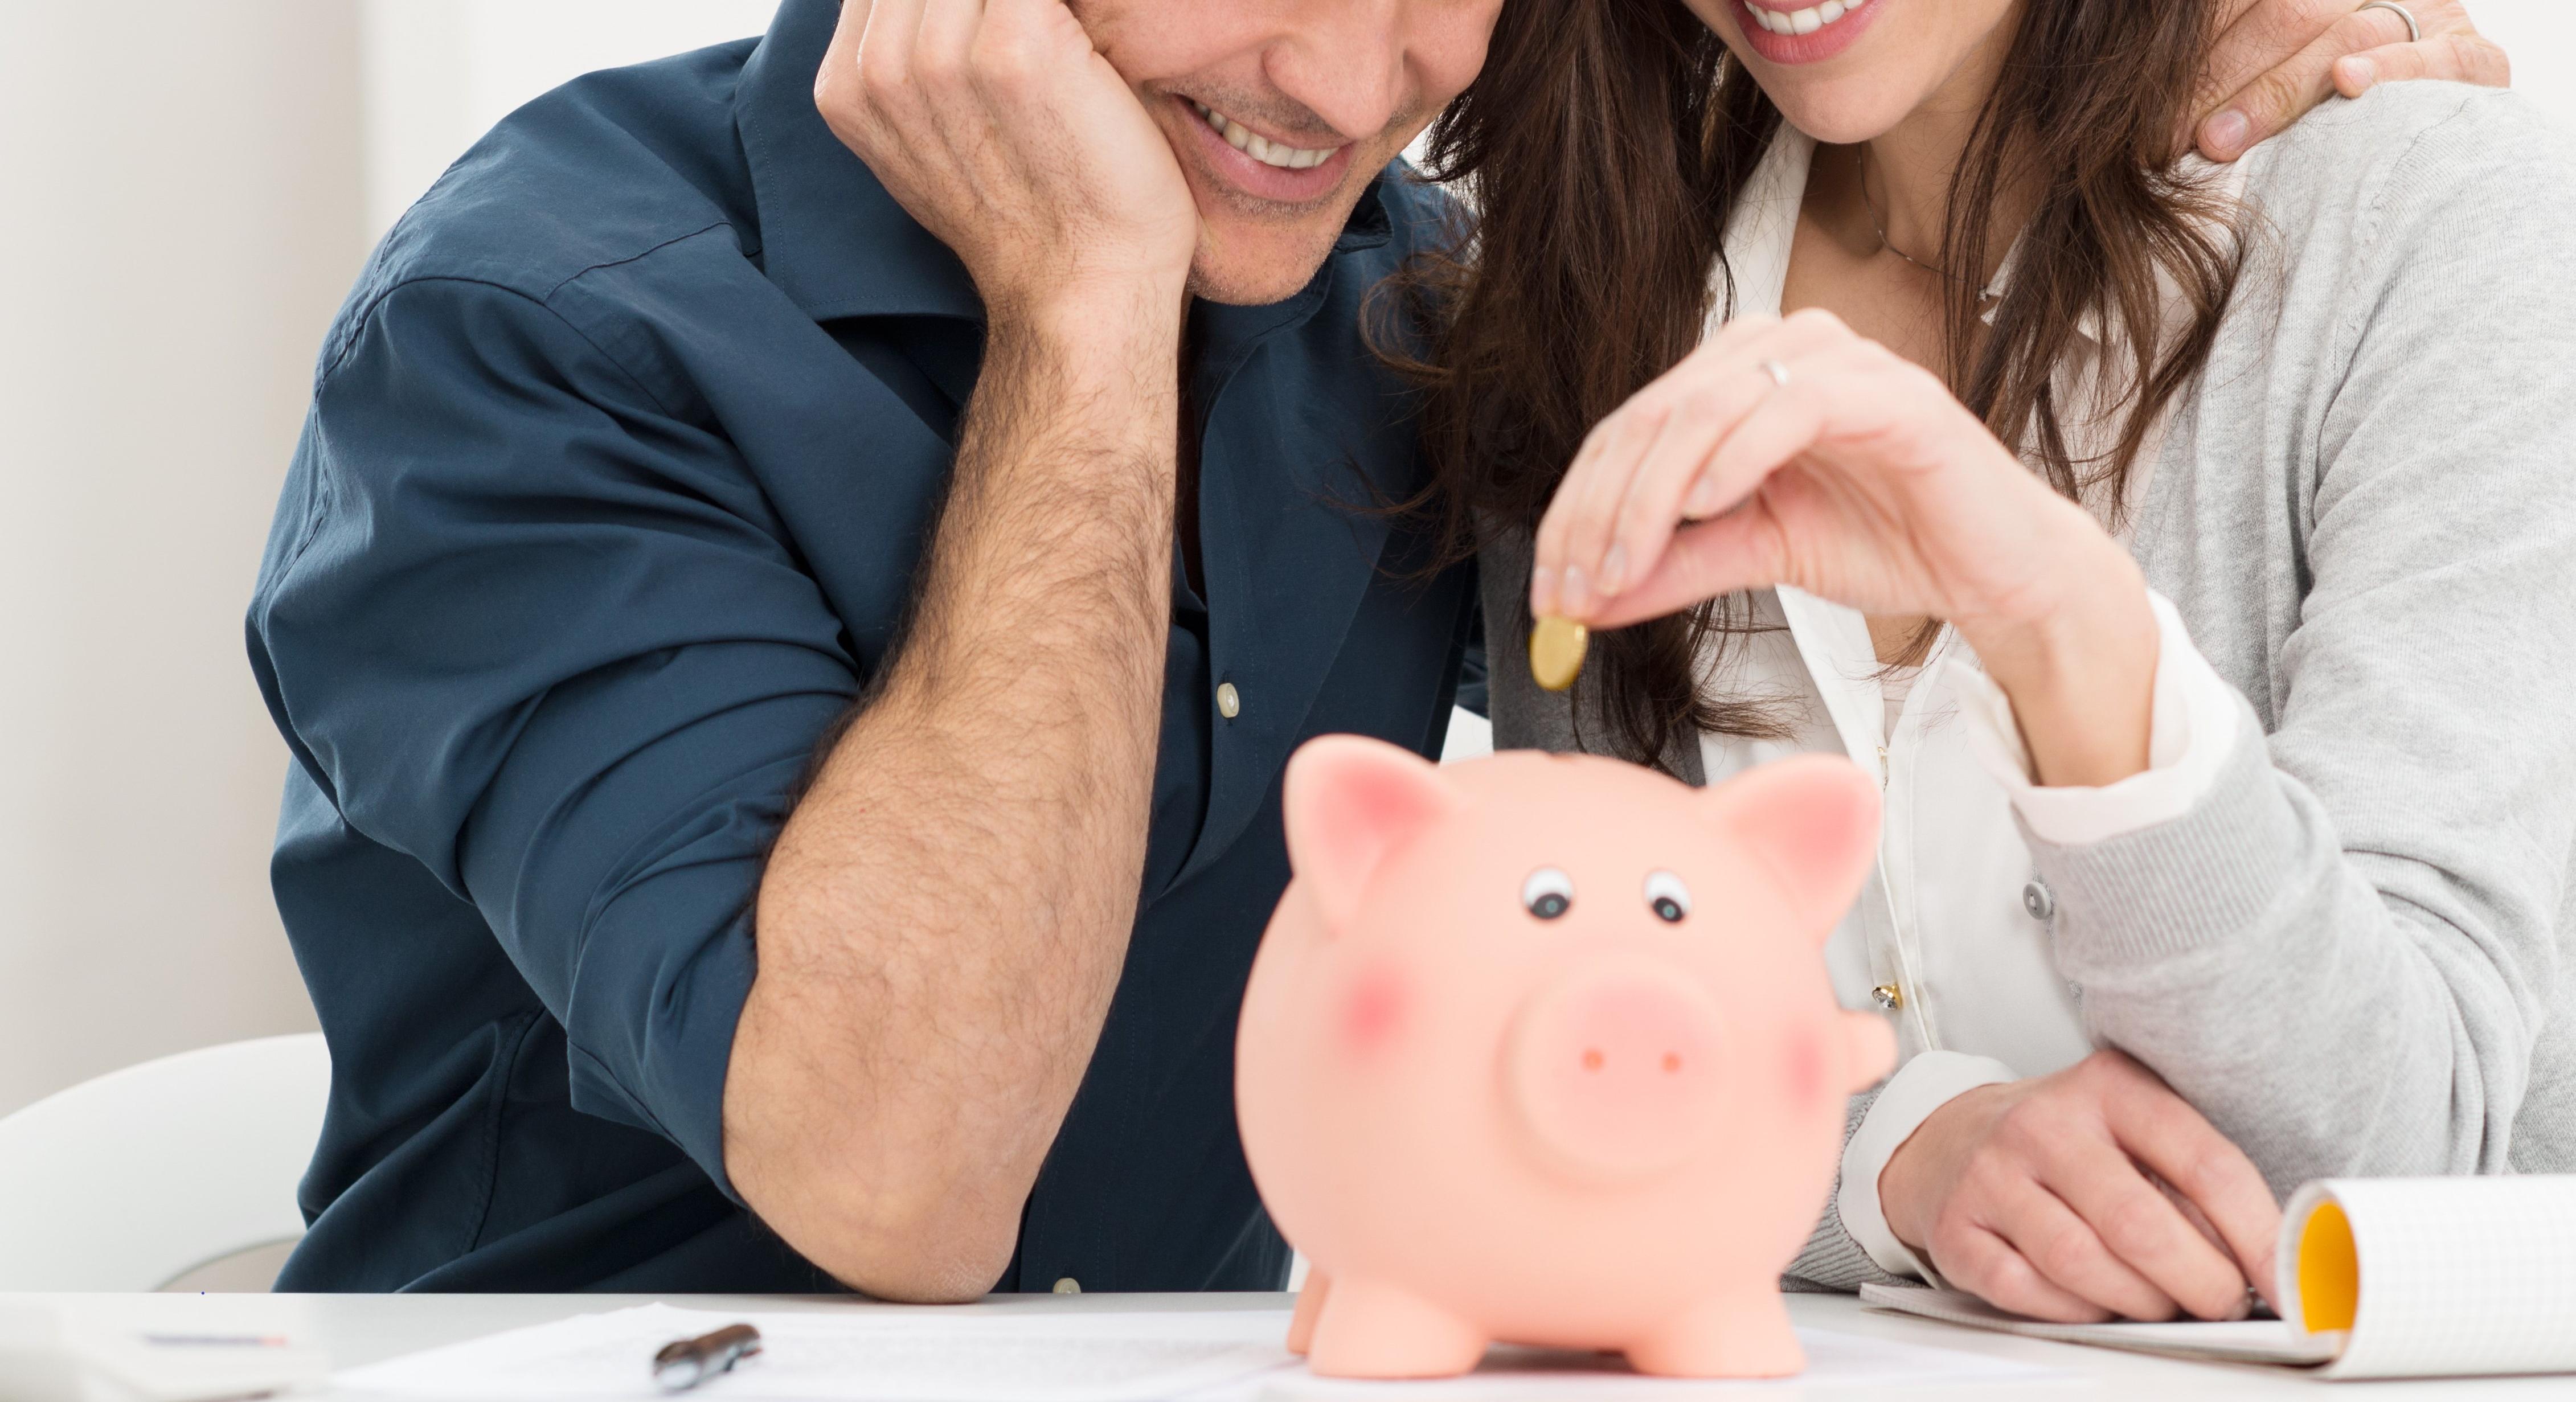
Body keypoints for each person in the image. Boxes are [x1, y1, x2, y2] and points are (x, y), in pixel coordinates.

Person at [246, 0, 2503, 1295]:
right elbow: (902, 1180)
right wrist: (1083, 300)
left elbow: (1603, 975)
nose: (1345, 63)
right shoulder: (541, 326)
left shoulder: (1442, 325)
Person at [1418, 0, 2561, 1325]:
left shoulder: (2426, 217)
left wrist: (2066, 630)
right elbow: (1570, 1052)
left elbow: (2407, 1159)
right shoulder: (1588, 266)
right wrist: (1897, 1151)